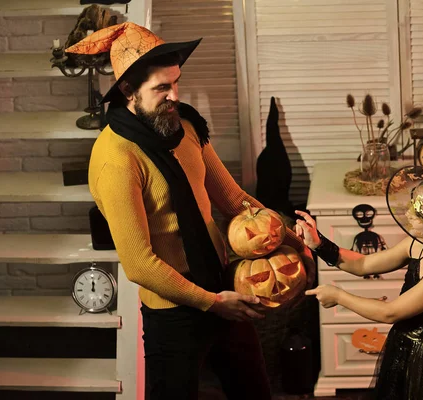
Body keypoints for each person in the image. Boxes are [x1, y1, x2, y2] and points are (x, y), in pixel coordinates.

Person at [66, 22, 315, 400]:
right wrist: (212, 303)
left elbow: (233, 199)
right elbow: (139, 264)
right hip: (175, 311)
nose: (174, 95)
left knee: (254, 392)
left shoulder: (183, 125)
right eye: (162, 88)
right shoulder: (115, 160)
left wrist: (293, 241)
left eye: (176, 82)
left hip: (223, 285)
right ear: (128, 91)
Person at [295, 138, 423, 399]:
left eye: (420, 211)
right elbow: (364, 264)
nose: (410, 213)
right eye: (414, 204)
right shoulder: (419, 243)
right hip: (404, 345)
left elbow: (390, 312)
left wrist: (339, 297)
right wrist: (319, 243)